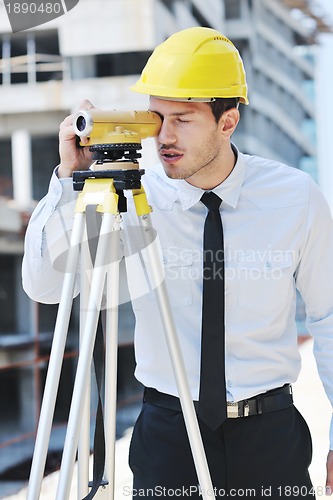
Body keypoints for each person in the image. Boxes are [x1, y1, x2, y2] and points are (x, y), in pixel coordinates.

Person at [22, 27, 333, 498]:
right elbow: (45, 286)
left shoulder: (295, 198)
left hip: (269, 435)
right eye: (156, 117)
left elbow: (328, 318)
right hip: (168, 437)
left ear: (227, 122)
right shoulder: (130, 197)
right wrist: (70, 181)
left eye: (183, 120)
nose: (163, 136)